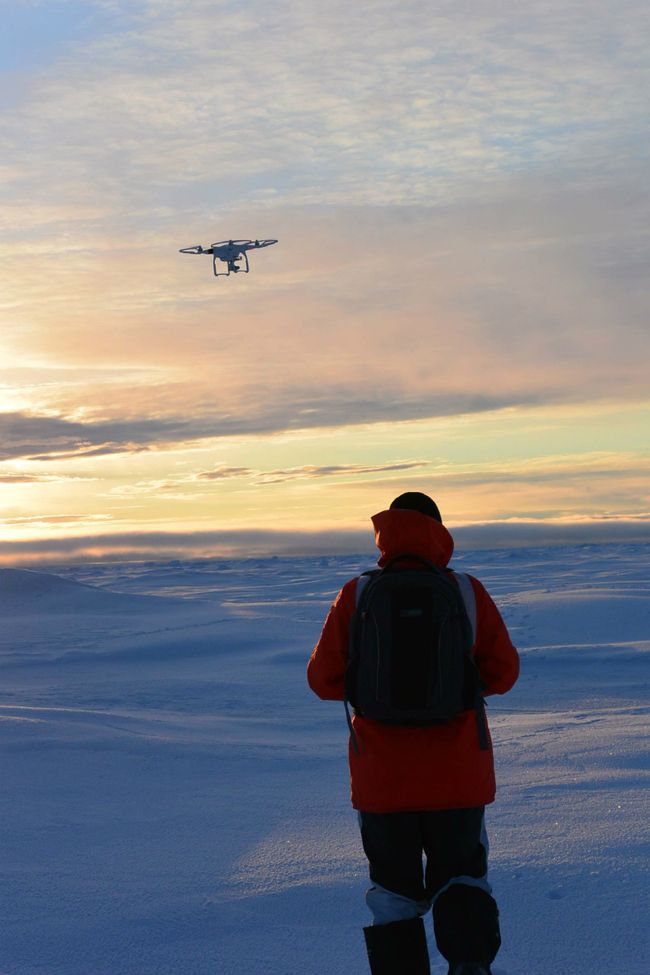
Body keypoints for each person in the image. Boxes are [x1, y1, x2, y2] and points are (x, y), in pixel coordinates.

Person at [307, 492, 519, 975]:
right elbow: (504, 672)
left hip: (382, 781)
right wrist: (459, 688)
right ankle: (469, 966)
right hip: (458, 775)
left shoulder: (357, 594)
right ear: (439, 531)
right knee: (462, 879)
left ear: (384, 532)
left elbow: (322, 680)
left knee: (393, 893)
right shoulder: (466, 591)